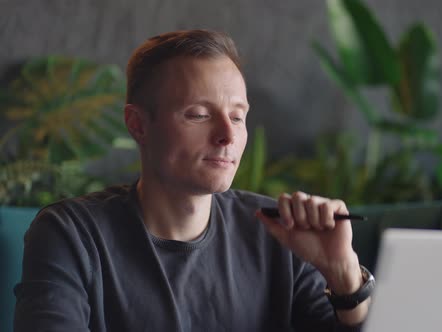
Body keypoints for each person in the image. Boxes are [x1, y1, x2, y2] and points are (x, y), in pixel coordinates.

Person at [14, 29, 373, 332]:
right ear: (138, 124)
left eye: (237, 117)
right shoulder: (72, 235)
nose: (227, 136)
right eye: (199, 115)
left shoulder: (280, 232)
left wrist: (342, 274)